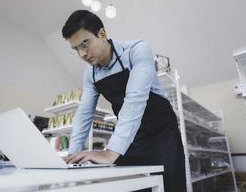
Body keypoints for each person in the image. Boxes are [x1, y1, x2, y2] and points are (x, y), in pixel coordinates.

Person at [62, 10, 186, 192]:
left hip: (162, 134)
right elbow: (85, 113)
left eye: (85, 44)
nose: (82, 54)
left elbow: (134, 100)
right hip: (132, 138)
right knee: (132, 186)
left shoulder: (137, 50)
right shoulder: (91, 74)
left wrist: (112, 151)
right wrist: (72, 156)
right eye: (76, 49)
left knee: (169, 185)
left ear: (102, 34)